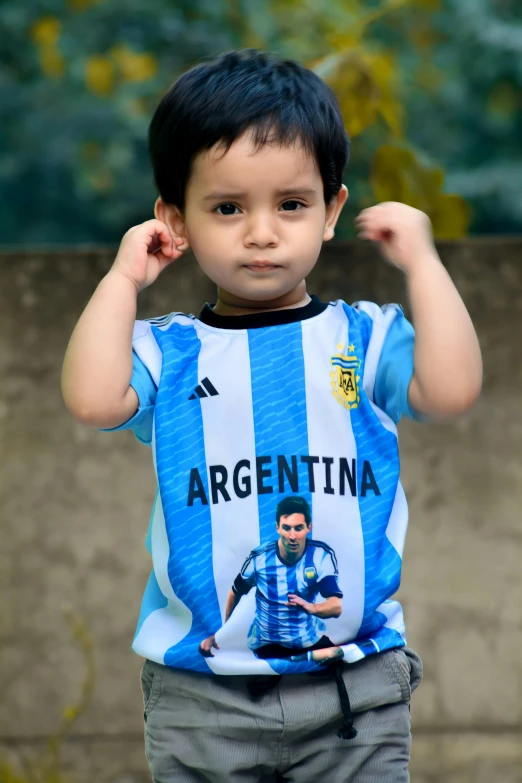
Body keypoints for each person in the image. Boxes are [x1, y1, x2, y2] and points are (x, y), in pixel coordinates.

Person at [61, 49, 482, 783]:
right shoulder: (170, 352)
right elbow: (94, 398)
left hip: (354, 687)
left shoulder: (361, 337)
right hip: (203, 696)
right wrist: (123, 277)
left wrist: (426, 266)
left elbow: (450, 390)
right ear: (175, 219)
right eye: (228, 208)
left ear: (331, 211)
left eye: (291, 204)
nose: (262, 232)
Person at [199, 495, 344, 664]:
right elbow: (234, 593)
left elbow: (335, 607)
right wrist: (224, 633)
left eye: (298, 528)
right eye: (286, 528)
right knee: (257, 686)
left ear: (308, 527)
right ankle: (292, 662)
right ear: (277, 528)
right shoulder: (259, 558)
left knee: (340, 655)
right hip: (267, 642)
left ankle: (295, 659)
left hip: (307, 639)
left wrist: (310, 607)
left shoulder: (321, 555)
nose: (292, 536)